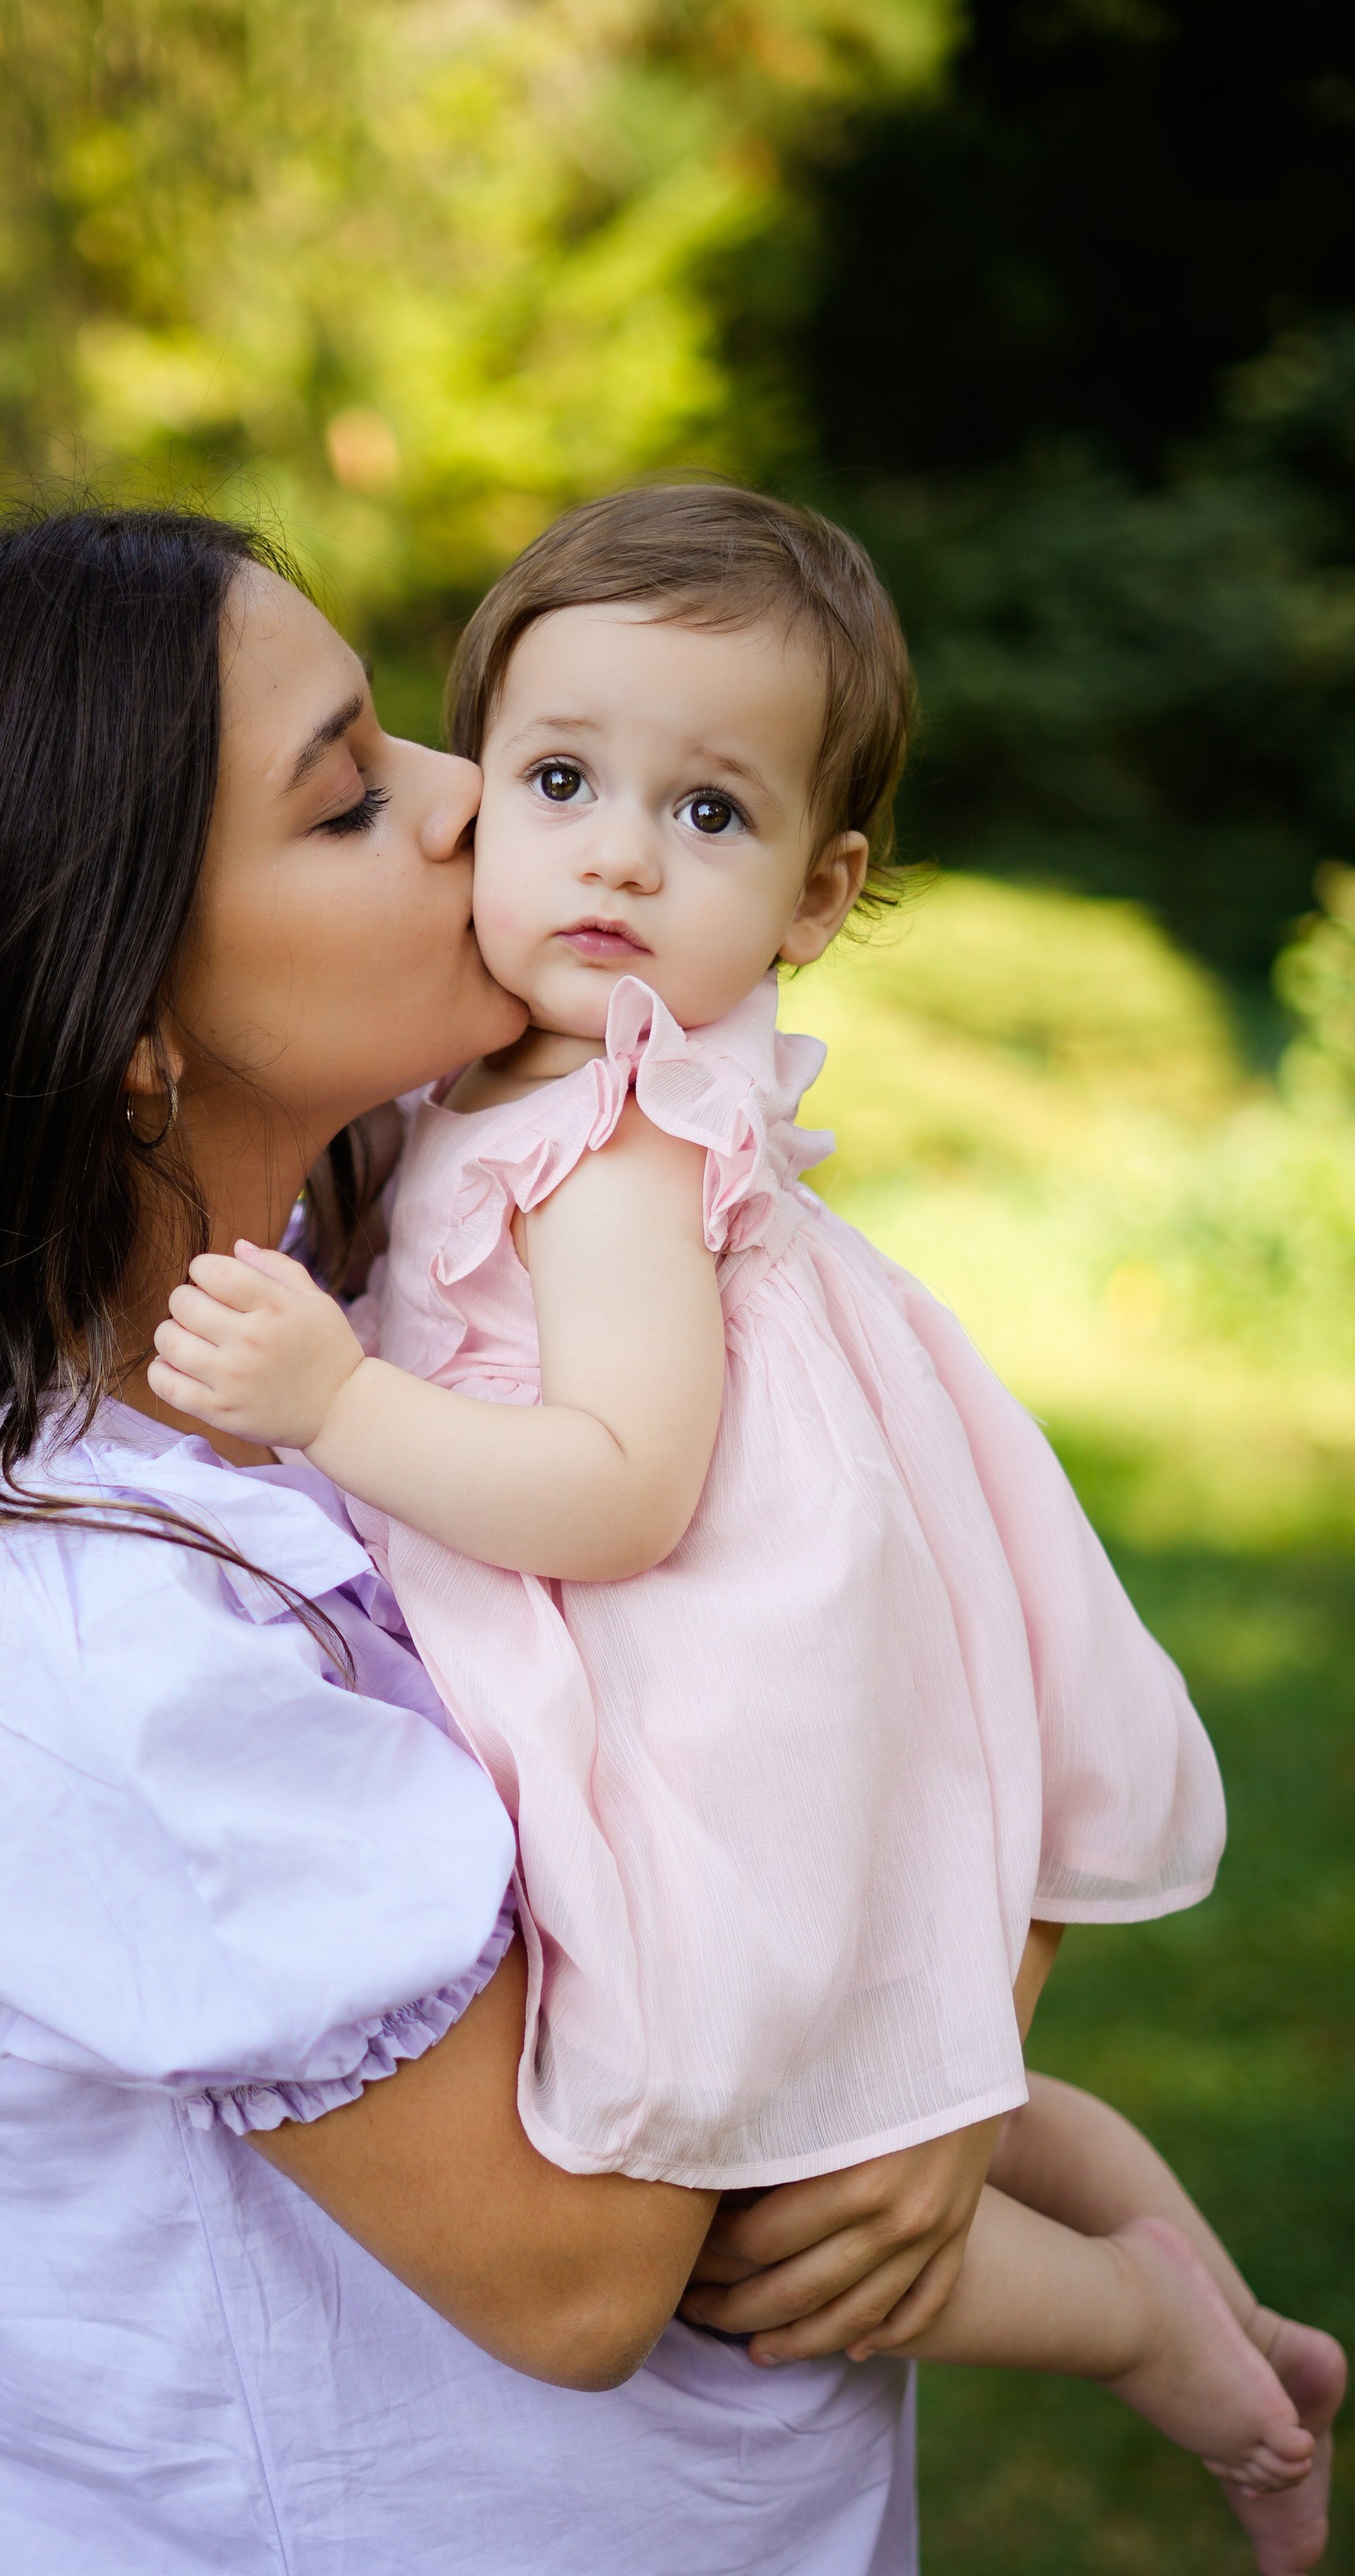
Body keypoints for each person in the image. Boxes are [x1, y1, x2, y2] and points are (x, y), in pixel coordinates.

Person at [0, 503, 1035, 2576]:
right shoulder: (89, 1648)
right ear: (128, 1025)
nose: (476, 793)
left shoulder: (387, 1308)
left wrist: (961, 2066)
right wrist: (917, 2043)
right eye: (353, 794)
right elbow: (583, 2272)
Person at [149, 485, 1346, 2575]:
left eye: (709, 813)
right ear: (481, 790)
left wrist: (338, 1405)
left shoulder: (614, 1133)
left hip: (719, 1679)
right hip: (774, 1647)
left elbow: (623, 1488)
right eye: (560, 781)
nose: (619, 852)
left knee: (759, 2190)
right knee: (901, 2069)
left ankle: (1148, 2328)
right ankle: (1220, 2299)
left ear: (818, 889)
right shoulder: (506, 1086)